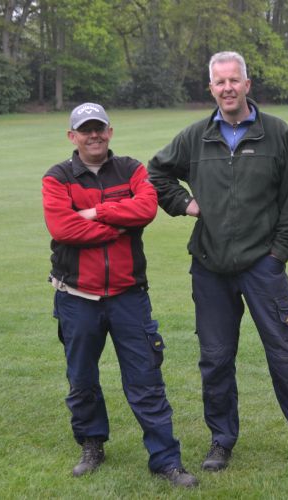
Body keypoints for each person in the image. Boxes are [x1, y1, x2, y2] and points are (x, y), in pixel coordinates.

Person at [147, 52, 288, 478]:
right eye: (219, 82)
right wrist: (185, 204)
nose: (227, 88)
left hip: (263, 266)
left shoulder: (276, 133)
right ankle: (221, 440)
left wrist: (279, 256)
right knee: (216, 359)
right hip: (210, 267)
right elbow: (156, 173)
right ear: (211, 89)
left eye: (233, 80)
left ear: (247, 84)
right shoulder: (195, 137)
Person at [42, 102, 198, 488]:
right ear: (72, 136)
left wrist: (95, 213)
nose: (93, 135)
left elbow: (146, 208)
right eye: (85, 129)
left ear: (110, 131)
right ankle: (92, 444)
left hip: (129, 295)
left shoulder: (131, 168)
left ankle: (165, 460)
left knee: (146, 380)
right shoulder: (57, 177)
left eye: (100, 128)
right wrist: (116, 225)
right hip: (76, 296)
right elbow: (63, 229)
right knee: (82, 379)